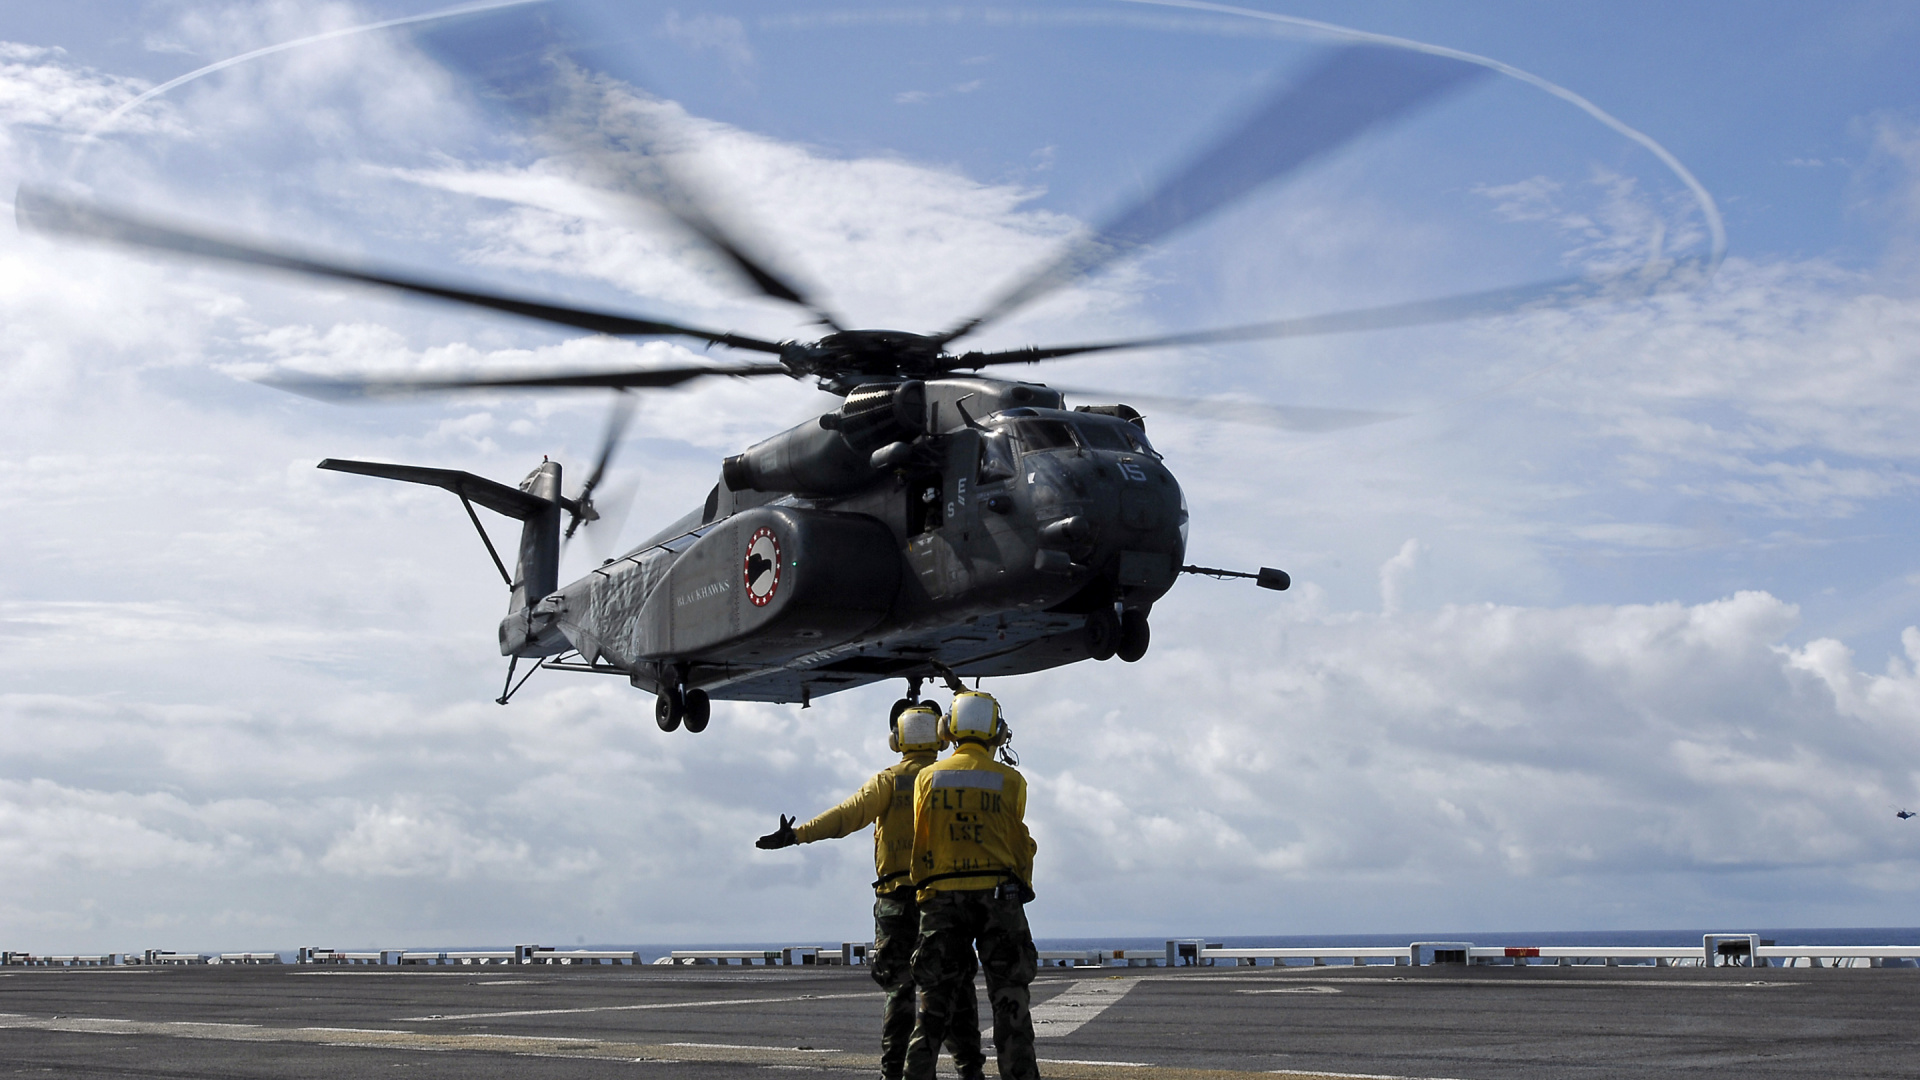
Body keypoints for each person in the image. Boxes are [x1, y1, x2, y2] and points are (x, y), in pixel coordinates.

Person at [756, 703, 986, 1080]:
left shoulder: (889, 781)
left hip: (896, 902)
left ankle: (892, 1072)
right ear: (940, 737)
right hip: (945, 902)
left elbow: (847, 815)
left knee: (899, 991)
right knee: (956, 986)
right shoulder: (950, 778)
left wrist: (797, 835)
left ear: (897, 741)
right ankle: (969, 1070)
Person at [902, 690, 1040, 1080]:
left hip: (942, 897)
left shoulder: (928, 777)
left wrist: (924, 891)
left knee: (932, 1008)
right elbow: (1018, 844)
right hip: (999, 897)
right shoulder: (1011, 781)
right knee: (1011, 1003)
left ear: (949, 730)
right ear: (996, 732)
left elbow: (922, 839)